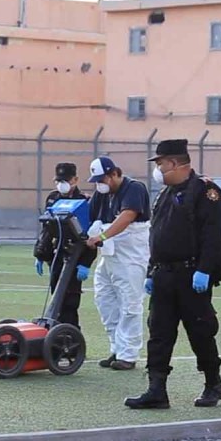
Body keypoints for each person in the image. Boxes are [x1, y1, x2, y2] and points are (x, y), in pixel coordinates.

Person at [125, 139, 221, 409]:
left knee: (200, 332)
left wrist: (204, 270)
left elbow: (212, 235)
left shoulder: (205, 191)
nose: (158, 168)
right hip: (163, 275)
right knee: (159, 333)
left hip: (191, 275)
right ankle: (156, 390)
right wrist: (150, 271)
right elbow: (156, 236)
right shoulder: (165, 193)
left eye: (160, 163)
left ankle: (213, 383)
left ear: (173, 162)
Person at [85, 156, 151, 370]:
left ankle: (128, 354)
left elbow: (126, 217)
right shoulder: (101, 195)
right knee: (104, 298)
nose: (99, 184)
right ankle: (116, 347)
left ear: (115, 173)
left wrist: (102, 237)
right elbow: (90, 216)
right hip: (110, 254)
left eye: (102, 179)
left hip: (131, 254)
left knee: (130, 303)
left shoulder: (134, 188)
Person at [33, 162, 97, 329]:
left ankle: (70, 336)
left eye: (65, 180)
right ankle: (55, 333)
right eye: (58, 181)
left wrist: (86, 263)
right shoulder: (53, 198)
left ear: (75, 179)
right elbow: (47, 228)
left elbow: (90, 234)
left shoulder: (85, 201)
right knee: (57, 295)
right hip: (56, 254)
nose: (61, 184)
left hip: (76, 254)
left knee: (70, 300)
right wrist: (40, 254)